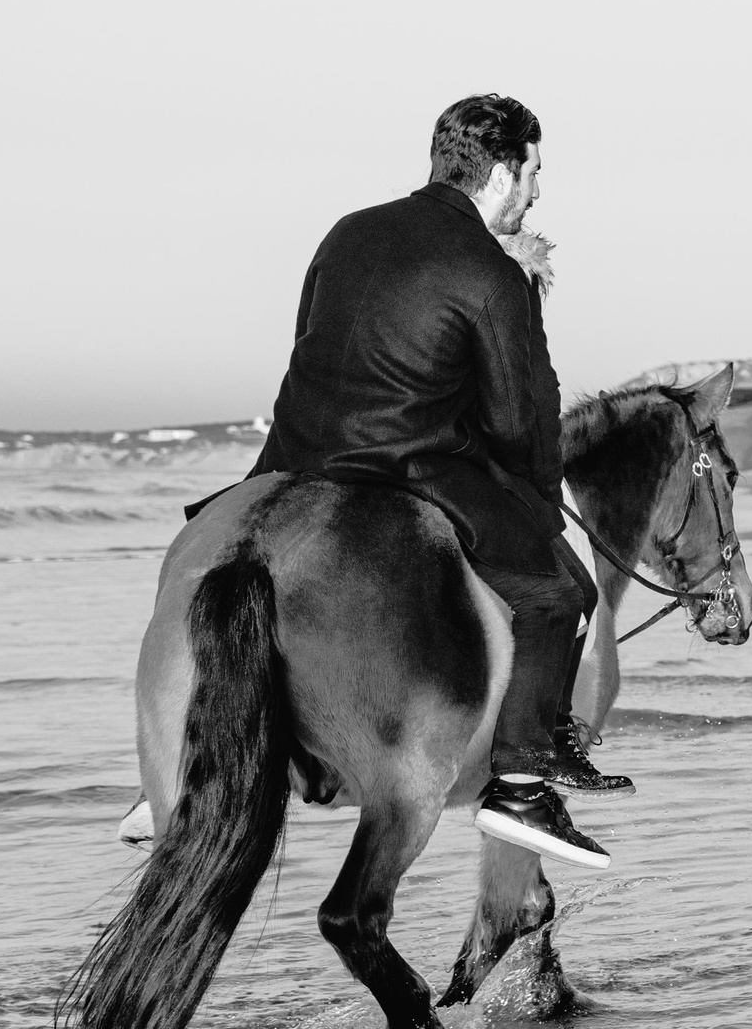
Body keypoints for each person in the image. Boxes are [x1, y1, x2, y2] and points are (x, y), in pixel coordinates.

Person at [244, 94, 626, 870]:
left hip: (292, 455)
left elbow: (309, 344)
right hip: (408, 461)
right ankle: (521, 784)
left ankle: (181, 771)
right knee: (562, 593)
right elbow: (517, 419)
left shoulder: (346, 230)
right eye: (536, 171)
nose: (539, 192)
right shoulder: (492, 270)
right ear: (505, 169)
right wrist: (533, 498)